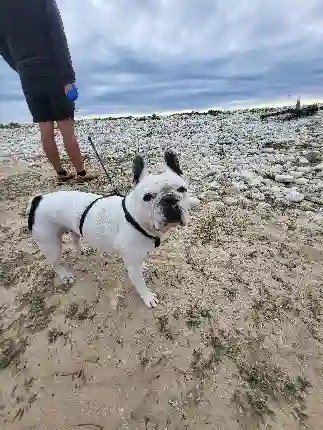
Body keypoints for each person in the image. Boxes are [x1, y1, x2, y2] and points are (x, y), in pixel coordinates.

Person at [0, 0, 97, 183]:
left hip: (27, 72)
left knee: (45, 127)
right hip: (52, 67)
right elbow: (58, 36)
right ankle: (81, 173)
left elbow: (3, 47)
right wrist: (68, 78)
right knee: (65, 125)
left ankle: (61, 174)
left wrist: (20, 66)